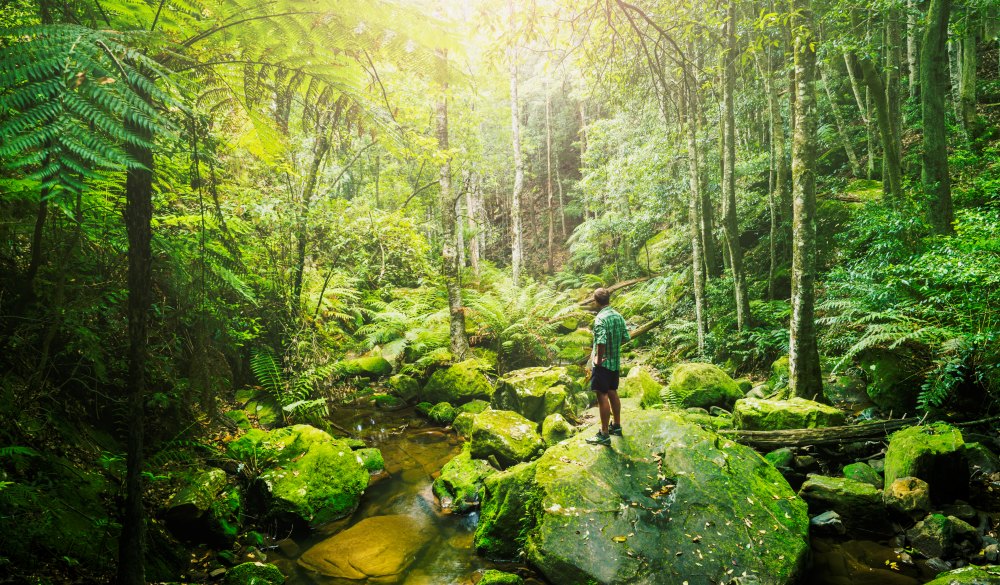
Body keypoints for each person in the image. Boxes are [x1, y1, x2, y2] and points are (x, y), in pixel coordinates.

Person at [585, 287, 629, 446]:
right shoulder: (618, 316)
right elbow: (626, 337)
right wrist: (614, 348)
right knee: (612, 391)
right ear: (608, 299)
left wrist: (599, 357)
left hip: (603, 364)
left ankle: (604, 433)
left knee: (601, 395)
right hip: (615, 362)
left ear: (596, 301)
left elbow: (601, 340)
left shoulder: (600, 319)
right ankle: (616, 425)